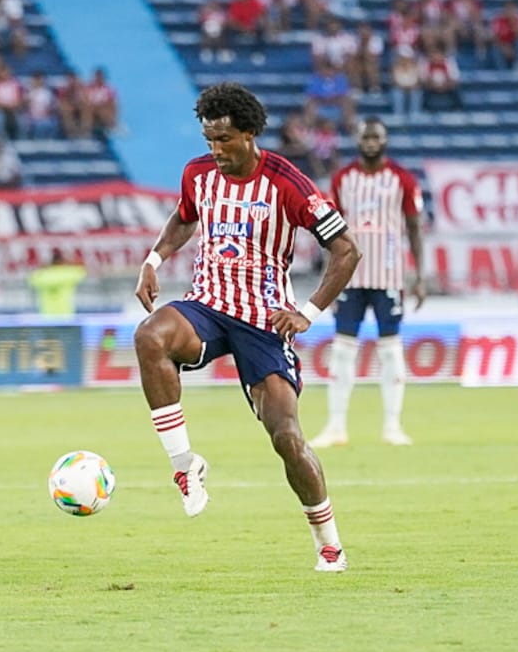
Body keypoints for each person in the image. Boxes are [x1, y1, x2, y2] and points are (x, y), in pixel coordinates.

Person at [134, 83, 361, 572]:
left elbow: (346, 249)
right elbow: (183, 216)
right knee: (150, 335)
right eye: (209, 139)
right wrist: (153, 259)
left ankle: (329, 544)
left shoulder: (287, 182)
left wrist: (309, 311)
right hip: (208, 306)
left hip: (263, 320)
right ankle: (184, 467)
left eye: (225, 140)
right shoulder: (198, 173)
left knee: (286, 436)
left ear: (250, 133)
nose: (215, 150)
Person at [310, 118, 425, 449]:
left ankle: (392, 426)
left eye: (376, 137)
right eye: (366, 137)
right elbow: (329, 233)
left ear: (385, 140)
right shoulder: (343, 180)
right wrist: (327, 280)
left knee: (390, 351)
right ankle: (335, 427)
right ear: (357, 140)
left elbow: (414, 227)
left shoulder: (402, 179)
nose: (371, 142)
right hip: (350, 275)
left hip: (388, 274)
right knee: (343, 351)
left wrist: (419, 275)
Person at [31, 249, 87, 316]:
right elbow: (82, 271)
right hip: (66, 313)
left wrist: (43, 267)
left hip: (47, 313)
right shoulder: (68, 273)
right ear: (61, 261)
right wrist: (69, 262)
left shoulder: (43, 275)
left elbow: (32, 278)